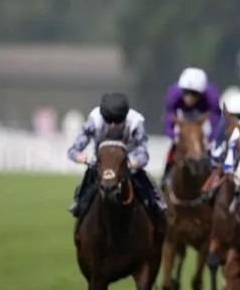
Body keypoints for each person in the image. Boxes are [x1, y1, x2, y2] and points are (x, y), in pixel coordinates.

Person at [67, 92, 167, 227]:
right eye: (109, 121)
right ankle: (79, 204)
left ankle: (157, 205)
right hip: (101, 165)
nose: (113, 125)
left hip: (128, 164)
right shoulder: (94, 120)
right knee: (86, 186)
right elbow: (73, 151)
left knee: (147, 187)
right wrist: (86, 159)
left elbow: (143, 155)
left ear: (125, 117)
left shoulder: (136, 122)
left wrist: (128, 164)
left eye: (118, 121)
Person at [161, 67, 221, 181]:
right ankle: (165, 177)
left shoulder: (211, 96)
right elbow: (168, 118)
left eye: (194, 94)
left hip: (203, 118)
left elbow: (216, 122)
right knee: (174, 149)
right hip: (183, 117)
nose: (189, 98)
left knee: (212, 150)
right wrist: (174, 136)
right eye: (186, 93)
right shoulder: (173, 94)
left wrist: (210, 140)